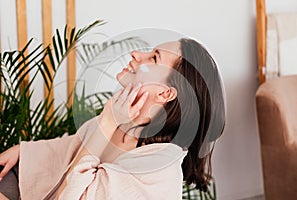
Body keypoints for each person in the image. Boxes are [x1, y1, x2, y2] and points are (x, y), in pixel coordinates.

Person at [0, 38, 225, 200]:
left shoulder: (156, 172)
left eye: (154, 58)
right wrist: (23, 150)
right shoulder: (123, 123)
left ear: (165, 93)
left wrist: (109, 121)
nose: (136, 54)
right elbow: (71, 147)